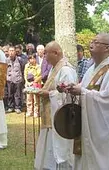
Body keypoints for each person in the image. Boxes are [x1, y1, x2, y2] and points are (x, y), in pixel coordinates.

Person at [68, 33, 109, 170]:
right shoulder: (91, 69)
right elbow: (85, 87)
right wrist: (70, 87)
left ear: (106, 48)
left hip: (102, 130)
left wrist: (83, 93)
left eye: (96, 42)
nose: (91, 44)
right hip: (87, 125)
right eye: (92, 41)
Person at [35, 41, 77, 170]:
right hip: (51, 117)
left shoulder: (65, 69)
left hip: (61, 119)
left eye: (47, 53)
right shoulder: (55, 68)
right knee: (49, 147)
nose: (45, 56)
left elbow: (69, 96)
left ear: (56, 53)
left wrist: (48, 94)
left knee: (61, 148)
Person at [6, 46, 24, 113]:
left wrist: (21, 78)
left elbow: (22, 69)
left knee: (17, 94)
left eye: (12, 50)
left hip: (17, 79)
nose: (11, 52)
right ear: (8, 52)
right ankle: (10, 107)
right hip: (9, 79)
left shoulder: (20, 60)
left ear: (15, 52)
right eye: (10, 51)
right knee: (10, 94)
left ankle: (17, 107)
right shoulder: (6, 60)